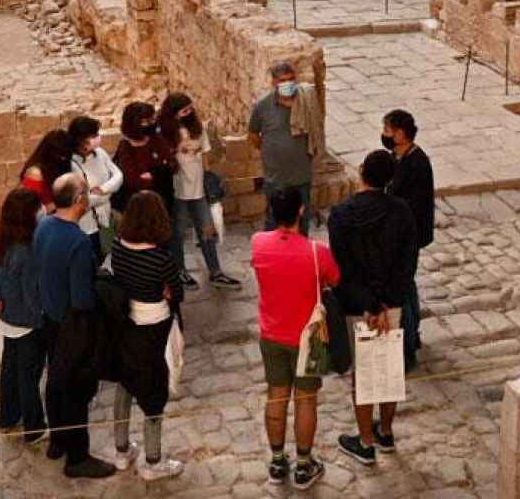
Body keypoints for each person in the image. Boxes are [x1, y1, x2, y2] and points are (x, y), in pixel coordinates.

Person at [330, 150, 418, 467]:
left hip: (358, 306)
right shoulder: (402, 212)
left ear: (362, 172)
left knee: (364, 373)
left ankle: (365, 442)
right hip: (391, 304)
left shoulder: (341, 214)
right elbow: (407, 264)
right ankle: (387, 432)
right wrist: (387, 303)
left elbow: (343, 268)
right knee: (389, 369)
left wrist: (369, 304)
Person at [250, 185, 340, 491]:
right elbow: (335, 279)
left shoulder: (258, 243)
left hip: (272, 334)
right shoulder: (317, 253)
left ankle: (277, 461)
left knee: (276, 394)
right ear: (301, 211)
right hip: (307, 338)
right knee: (306, 400)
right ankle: (303, 464)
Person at [33, 173, 117, 479]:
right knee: (76, 390)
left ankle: (58, 442)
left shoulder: (43, 225)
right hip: (72, 324)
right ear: (79, 199)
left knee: (55, 382)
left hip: (49, 319)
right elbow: (82, 298)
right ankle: (78, 457)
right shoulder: (79, 242)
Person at [107, 191, 186, 481]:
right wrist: (166, 291)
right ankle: (153, 460)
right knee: (154, 391)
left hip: (127, 323)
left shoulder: (118, 245)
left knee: (126, 382)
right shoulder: (159, 257)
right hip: (155, 326)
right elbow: (177, 293)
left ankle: (121, 449)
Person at [157, 93, 241, 291]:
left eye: (189, 109)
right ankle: (180, 271)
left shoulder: (197, 128)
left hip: (198, 190)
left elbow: (205, 156)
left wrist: (206, 180)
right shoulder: (164, 132)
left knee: (207, 231)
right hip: (178, 191)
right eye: (183, 111)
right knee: (176, 234)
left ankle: (216, 272)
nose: (188, 113)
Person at [0, 188, 46, 443]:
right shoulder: (27, 251)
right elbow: (32, 294)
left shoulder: (0, 242)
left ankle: (8, 418)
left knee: (10, 370)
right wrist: (43, 320)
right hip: (28, 322)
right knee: (28, 375)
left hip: (7, 318)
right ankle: (34, 428)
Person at [381, 110, 433, 372]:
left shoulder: (417, 163)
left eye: (388, 130)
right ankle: (413, 335)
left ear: (400, 133)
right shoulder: (397, 157)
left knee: (403, 290)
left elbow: (415, 205)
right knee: (407, 286)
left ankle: (409, 343)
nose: (385, 135)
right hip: (399, 235)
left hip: (407, 238)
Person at [247, 61, 324, 234]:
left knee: (302, 221)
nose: (287, 84)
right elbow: (253, 135)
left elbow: (316, 129)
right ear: (274, 82)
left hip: (301, 176)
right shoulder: (263, 106)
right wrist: (269, 150)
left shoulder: (305, 101)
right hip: (276, 178)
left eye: (291, 79)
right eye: (282, 80)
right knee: (274, 221)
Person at [68, 115, 124, 259]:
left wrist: (104, 189)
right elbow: (84, 201)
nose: (98, 138)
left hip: (105, 218)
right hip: (87, 225)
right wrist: (108, 193)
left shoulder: (100, 153)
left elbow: (118, 176)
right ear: (81, 139)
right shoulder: (72, 164)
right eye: (94, 135)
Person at [112, 101, 170, 220]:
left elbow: (171, 165)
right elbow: (132, 179)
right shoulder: (125, 146)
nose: (152, 124)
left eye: (153, 120)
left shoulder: (157, 139)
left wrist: (154, 174)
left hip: (162, 202)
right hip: (136, 206)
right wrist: (157, 174)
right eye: (146, 122)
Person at [20, 129, 76, 211]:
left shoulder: (62, 165)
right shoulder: (35, 173)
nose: (63, 158)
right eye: (60, 155)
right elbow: (29, 207)